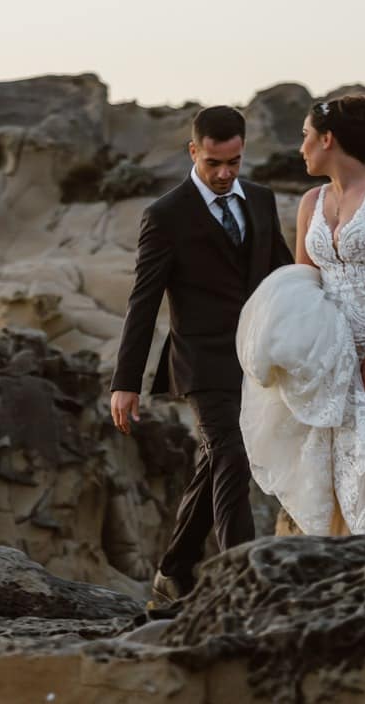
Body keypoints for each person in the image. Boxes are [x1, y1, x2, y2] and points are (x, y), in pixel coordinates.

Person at [109, 105, 295, 605]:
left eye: (233, 162)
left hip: (256, 357)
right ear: (193, 152)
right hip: (202, 361)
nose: (224, 174)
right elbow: (143, 301)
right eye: (214, 162)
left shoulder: (259, 199)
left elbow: (283, 273)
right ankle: (244, 579)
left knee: (215, 460)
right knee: (233, 453)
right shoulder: (166, 215)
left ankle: (173, 569)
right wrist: (125, 381)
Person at [237, 94, 365, 554]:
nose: (301, 147)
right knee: (348, 464)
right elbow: (305, 281)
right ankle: (363, 566)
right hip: (339, 351)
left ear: (328, 139)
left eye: (306, 137)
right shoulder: (311, 202)